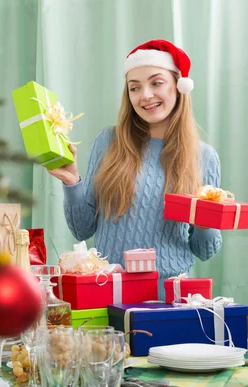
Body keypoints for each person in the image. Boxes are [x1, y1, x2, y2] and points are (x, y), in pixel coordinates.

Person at [48, 39, 222, 300]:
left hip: (170, 299)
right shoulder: (108, 143)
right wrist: (72, 182)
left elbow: (205, 250)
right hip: (110, 293)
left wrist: (205, 223)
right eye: (135, 87)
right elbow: (82, 230)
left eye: (156, 82)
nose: (146, 95)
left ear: (178, 85)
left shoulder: (204, 157)